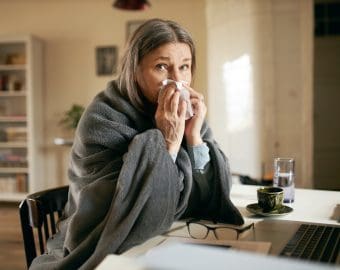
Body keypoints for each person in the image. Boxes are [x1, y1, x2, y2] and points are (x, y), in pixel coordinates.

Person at [30, 18, 243, 270]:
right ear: (134, 70)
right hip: (107, 242)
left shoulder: (186, 114)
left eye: (184, 67)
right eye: (162, 67)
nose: (177, 81)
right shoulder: (101, 119)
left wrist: (194, 138)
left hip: (170, 237)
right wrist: (168, 142)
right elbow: (129, 214)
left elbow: (207, 196)